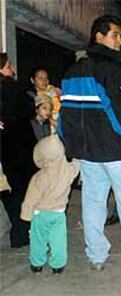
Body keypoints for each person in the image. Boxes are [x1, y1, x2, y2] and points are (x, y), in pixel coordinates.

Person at [59, 15, 121, 270]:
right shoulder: (113, 70)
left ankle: (96, 256)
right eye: (115, 35)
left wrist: (71, 146)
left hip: (88, 153)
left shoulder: (72, 71)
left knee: (93, 203)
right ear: (99, 36)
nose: (120, 41)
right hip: (117, 150)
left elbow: (66, 116)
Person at [20, 135, 80, 275]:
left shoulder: (39, 177)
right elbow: (77, 164)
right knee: (58, 240)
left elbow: (31, 198)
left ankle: (37, 263)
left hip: (40, 214)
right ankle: (58, 265)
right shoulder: (68, 172)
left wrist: (26, 215)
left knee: (38, 239)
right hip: (59, 213)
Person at [0, 53, 36, 248]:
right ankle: (24, 232)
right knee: (25, 191)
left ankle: (17, 233)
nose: (11, 69)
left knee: (8, 191)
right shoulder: (13, 89)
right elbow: (29, 109)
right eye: (8, 66)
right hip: (20, 148)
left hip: (4, 150)